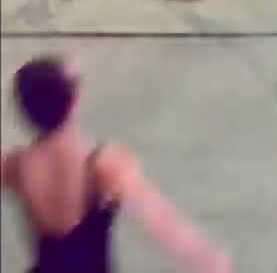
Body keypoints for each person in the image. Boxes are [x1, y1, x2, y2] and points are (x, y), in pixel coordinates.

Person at [2, 55, 232, 273]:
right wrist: (210, 260)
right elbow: (161, 220)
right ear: (73, 101)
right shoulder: (104, 163)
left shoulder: (16, 165)